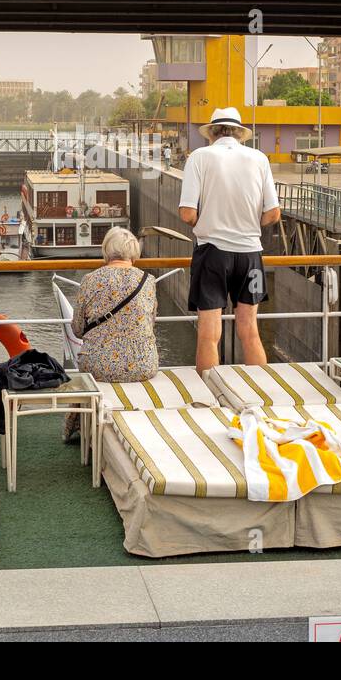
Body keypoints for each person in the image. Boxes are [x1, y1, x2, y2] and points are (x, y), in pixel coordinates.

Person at [178, 107, 280, 375]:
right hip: (251, 256)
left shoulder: (199, 157)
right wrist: (247, 227)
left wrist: (206, 226)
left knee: (209, 334)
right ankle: (259, 392)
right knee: (250, 330)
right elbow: (273, 213)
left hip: (212, 253)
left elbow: (187, 212)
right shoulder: (259, 158)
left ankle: (211, 398)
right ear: (239, 134)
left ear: (212, 132)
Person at [66, 227, 157, 441]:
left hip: (99, 366)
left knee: (85, 367)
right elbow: (150, 324)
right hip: (143, 364)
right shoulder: (148, 280)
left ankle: (79, 427)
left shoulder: (91, 280)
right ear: (134, 251)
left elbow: (78, 329)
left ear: (106, 250)